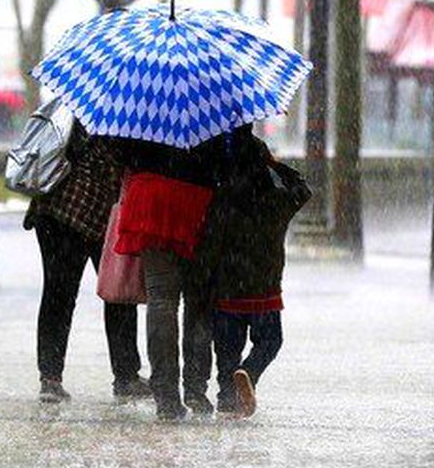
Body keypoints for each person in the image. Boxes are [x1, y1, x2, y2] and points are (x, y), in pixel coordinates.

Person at [111, 129, 244, 420]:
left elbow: (121, 151)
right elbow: (230, 157)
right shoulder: (215, 97)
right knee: (199, 301)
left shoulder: (140, 95)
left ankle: (166, 396)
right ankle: (195, 389)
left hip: (150, 196)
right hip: (199, 200)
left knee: (161, 299)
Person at [24, 122, 149, 404]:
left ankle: (51, 377)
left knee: (58, 294)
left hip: (54, 208)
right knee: (116, 293)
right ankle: (125, 375)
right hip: (85, 214)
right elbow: (115, 171)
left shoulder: (85, 105)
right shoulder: (122, 122)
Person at [197, 130, 310, 417]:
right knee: (271, 340)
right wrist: (274, 164)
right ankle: (250, 371)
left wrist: (206, 278)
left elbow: (210, 242)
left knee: (226, 350)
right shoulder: (278, 201)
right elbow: (303, 189)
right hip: (264, 286)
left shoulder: (222, 199)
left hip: (228, 286)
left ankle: (226, 400)